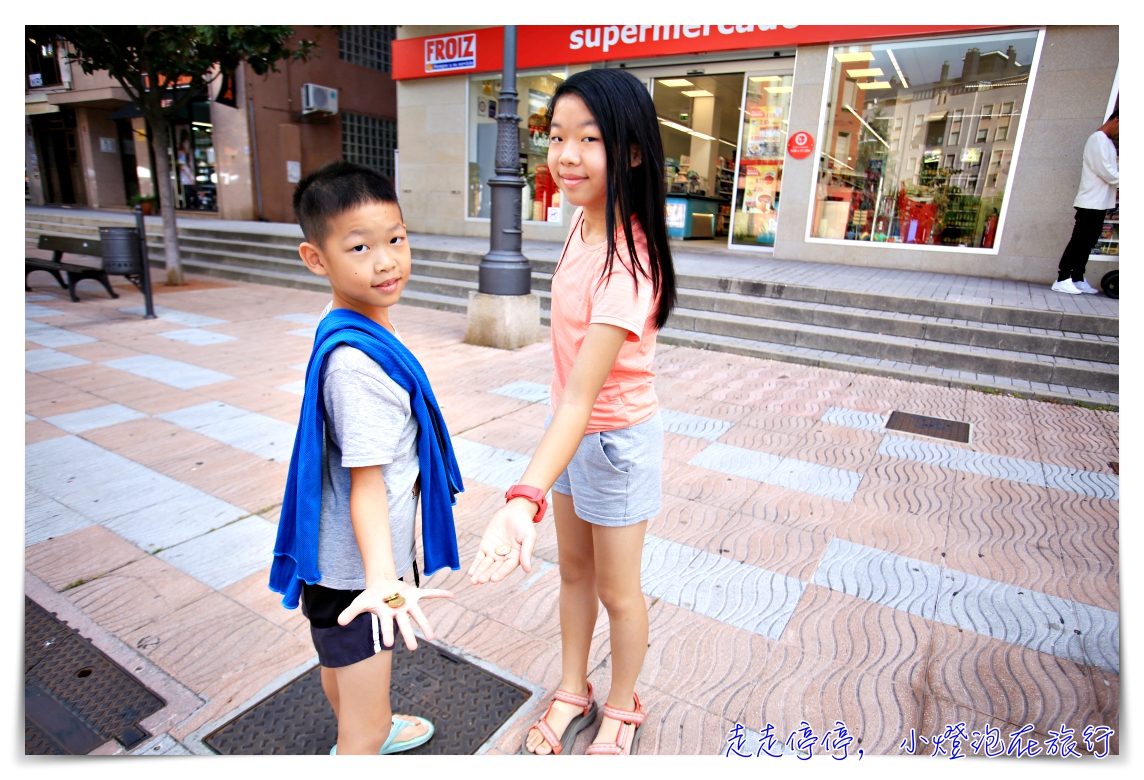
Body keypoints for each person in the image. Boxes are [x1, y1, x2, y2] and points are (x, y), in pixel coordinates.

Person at [467, 69, 678, 756]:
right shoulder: (581, 225)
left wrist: (521, 497)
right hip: (571, 436)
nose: (567, 155)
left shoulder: (629, 265)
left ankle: (622, 704)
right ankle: (570, 688)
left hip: (614, 440)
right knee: (573, 574)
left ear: (633, 152)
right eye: (557, 136)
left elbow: (586, 397)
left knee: (619, 592)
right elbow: (567, 396)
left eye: (590, 139)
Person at [269, 161, 464, 755]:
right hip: (356, 573)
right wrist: (382, 579)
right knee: (368, 728)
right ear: (316, 259)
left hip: (332, 567)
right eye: (360, 247)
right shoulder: (359, 364)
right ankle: (362, 740)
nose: (385, 262)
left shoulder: (348, 321)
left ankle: (355, 725)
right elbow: (368, 483)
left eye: (395, 240)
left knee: (337, 660)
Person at [1052, 109, 1118, 294]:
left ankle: (1077, 277)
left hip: (1100, 203)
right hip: (1090, 202)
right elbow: (1105, 171)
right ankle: (1062, 278)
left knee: (1088, 243)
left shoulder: (1107, 143)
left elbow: (1112, 169)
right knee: (1079, 242)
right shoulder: (1097, 139)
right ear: (1117, 120)